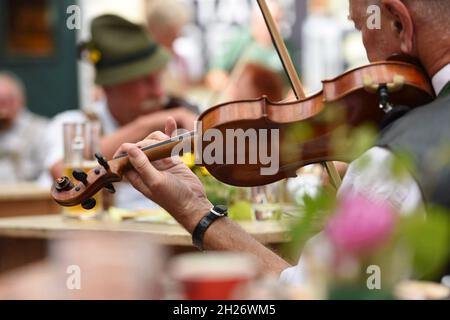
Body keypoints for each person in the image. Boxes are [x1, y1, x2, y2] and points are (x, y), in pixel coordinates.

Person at [114, 0, 450, 280]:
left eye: (361, 26)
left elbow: (308, 293)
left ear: (399, 25)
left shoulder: (394, 164)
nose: (364, 46)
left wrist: (193, 210)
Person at [45, 15, 198, 210]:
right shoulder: (72, 123)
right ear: (110, 86)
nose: (158, 91)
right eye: (144, 81)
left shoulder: (181, 112)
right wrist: (145, 124)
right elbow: (63, 173)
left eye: (158, 78)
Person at [0, 72, 48, 183]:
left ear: (21, 100)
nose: (3, 108)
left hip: (30, 197)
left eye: (7, 101)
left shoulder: (41, 130)